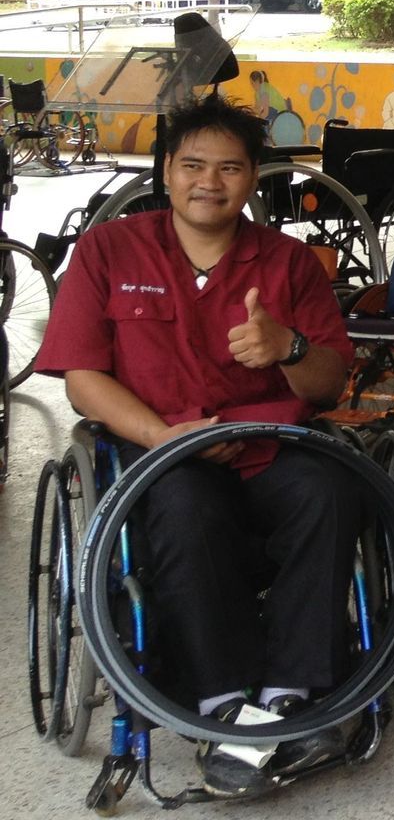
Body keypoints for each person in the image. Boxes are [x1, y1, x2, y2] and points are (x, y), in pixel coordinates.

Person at [34, 96, 358, 798]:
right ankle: (222, 701)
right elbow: (83, 380)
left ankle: (291, 694)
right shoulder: (109, 250)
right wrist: (163, 438)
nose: (209, 182)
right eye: (192, 165)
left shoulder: (289, 262)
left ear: (253, 178)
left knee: (330, 489)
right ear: (165, 171)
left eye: (230, 168)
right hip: (161, 451)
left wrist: (288, 347)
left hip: (269, 447)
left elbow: (330, 382)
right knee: (185, 507)